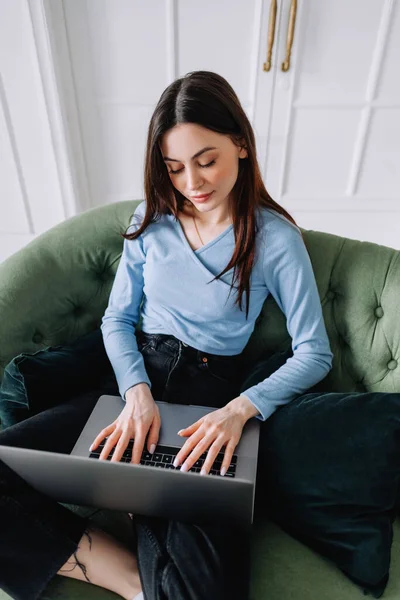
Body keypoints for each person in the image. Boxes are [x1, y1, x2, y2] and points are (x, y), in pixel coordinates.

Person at [0, 70, 333, 600]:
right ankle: (131, 579)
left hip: (206, 405)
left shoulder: (275, 239)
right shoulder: (150, 221)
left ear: (241, 145)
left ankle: (143, 521)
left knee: (209, 590)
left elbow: (314, 352)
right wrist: (136, 394)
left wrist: (239, 410)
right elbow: (117, 320)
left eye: (207, 160)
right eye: (175, 168)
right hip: (131, 389)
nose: (193, 183)